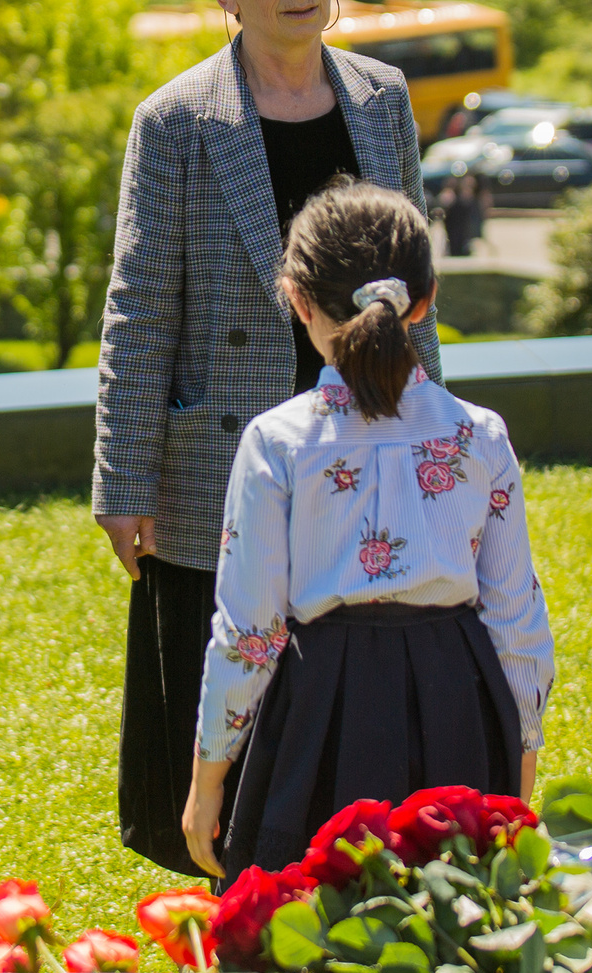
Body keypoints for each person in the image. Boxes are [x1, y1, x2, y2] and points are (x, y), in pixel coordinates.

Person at [94, 0, 441, 878]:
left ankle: (346, 865)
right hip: (220, 450)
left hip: (365, 428)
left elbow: (417, 282)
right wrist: (122, 481)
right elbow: (139, 305)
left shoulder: (382, 97)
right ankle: (231, 882)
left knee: (352, 664)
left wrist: (434, 425)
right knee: (232, 669)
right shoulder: (174, 119)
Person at [181, 181, 552, 882]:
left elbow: (250, 633)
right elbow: (516, 618)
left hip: (322, 710)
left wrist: (208, 782)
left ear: (297, 299)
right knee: (456, 918)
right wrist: (520, 756)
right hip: (457, 703)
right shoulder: (480, 435)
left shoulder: (278, 443)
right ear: (426, 298)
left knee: (321, 918)